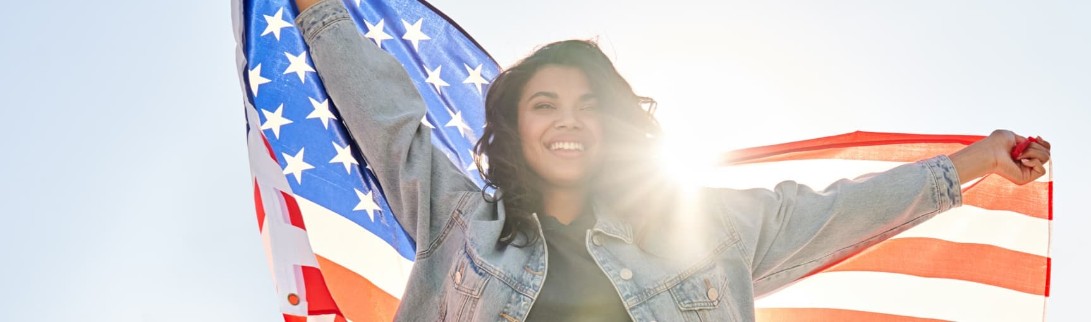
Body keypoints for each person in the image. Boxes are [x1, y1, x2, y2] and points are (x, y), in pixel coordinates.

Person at [292, 0, 1052, 321]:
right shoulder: (462, 222)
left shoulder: (704, 227)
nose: (569, 122)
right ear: (515, 130)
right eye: (545, 105)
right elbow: (389, 123)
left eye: (590, 104)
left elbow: (843, 207)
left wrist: (979, 160)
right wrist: (317, 11)